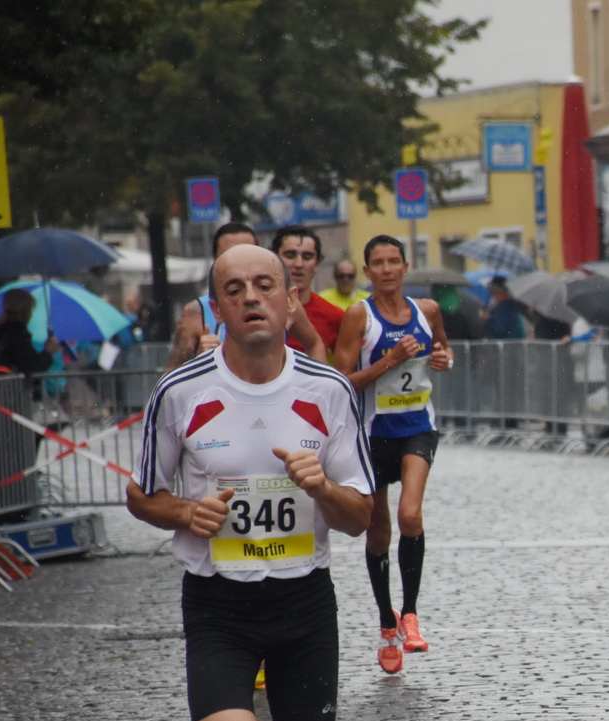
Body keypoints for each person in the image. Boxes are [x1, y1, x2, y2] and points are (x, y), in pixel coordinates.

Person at [126, 243, 375, 721]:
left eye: (266, 285)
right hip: (221, 604)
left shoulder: (329, 391)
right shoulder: (183, 391)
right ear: (219, 306)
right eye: (235, 289)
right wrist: (184, 509)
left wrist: (323, 487)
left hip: (304, 604)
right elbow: (142, 495)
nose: (253, 298)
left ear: (290, 299)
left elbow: (362, 516)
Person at [333, 235, 454, 674]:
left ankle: (411, 614)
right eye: (377, 263)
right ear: (367, 272)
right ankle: (387, 624)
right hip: (371, 435)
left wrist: (443, 360)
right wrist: (387, 361)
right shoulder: (358, 316)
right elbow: (342, 381)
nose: (386, 270)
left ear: (406, 266)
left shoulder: (428, 311)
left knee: (411, 516)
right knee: (379, 532)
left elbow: (442, 348)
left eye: (393, 262)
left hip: (417, 428)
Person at [168, 222, 327, 370]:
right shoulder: (196, 312)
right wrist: (199, 362)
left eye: (247, 251)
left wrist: (318, 386)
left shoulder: (284, 303)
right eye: (230, 254)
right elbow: (171, 380)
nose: (250, 298)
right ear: (215, 258)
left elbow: (314, 344)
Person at [272, 225, 347, 354]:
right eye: (290, 255)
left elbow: (344, 370)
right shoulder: (259, 309)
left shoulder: (334, 316)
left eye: (307, 257)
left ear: (317, 263)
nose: (299, 264)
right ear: (274, 259)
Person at [0, 289, 58, 376]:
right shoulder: (17, 335)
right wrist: (48, 352)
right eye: (30, 310)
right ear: (24, 312)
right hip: (13, 389)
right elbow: (33, 366)